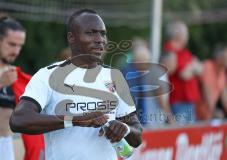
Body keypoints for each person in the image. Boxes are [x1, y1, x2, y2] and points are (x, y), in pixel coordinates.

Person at [9, 9, 142, 160]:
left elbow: (137, 136)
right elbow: (18, 120)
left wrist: (123, 129)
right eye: (91, 33)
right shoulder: (47, 75)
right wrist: (74, 119)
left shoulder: (114, 76)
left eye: (103, 33)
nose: (100, 40)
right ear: (71, 37)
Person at [0, 16, 44, 160]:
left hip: (6, 144)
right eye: (12, 44)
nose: (16, 51)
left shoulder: (19, 79)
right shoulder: (6, 79)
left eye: (20, 46)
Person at [164, 21, 203, 124]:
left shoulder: (184, 52)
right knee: (181, 136)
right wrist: (193, 65)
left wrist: (192, 67)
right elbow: (184, 75)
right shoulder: (170, 50)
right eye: (186, 33)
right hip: (179, 101)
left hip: (188, 102)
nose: (187, 36)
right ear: (178, 34)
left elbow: (200, 70)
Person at [200, 43, 227, 119]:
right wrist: (214, 111)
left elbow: (224, 96)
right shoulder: (208, 66)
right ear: (220, 58)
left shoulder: (222, 72)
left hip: (208, 114)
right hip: (199, 113)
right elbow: (206, 92)